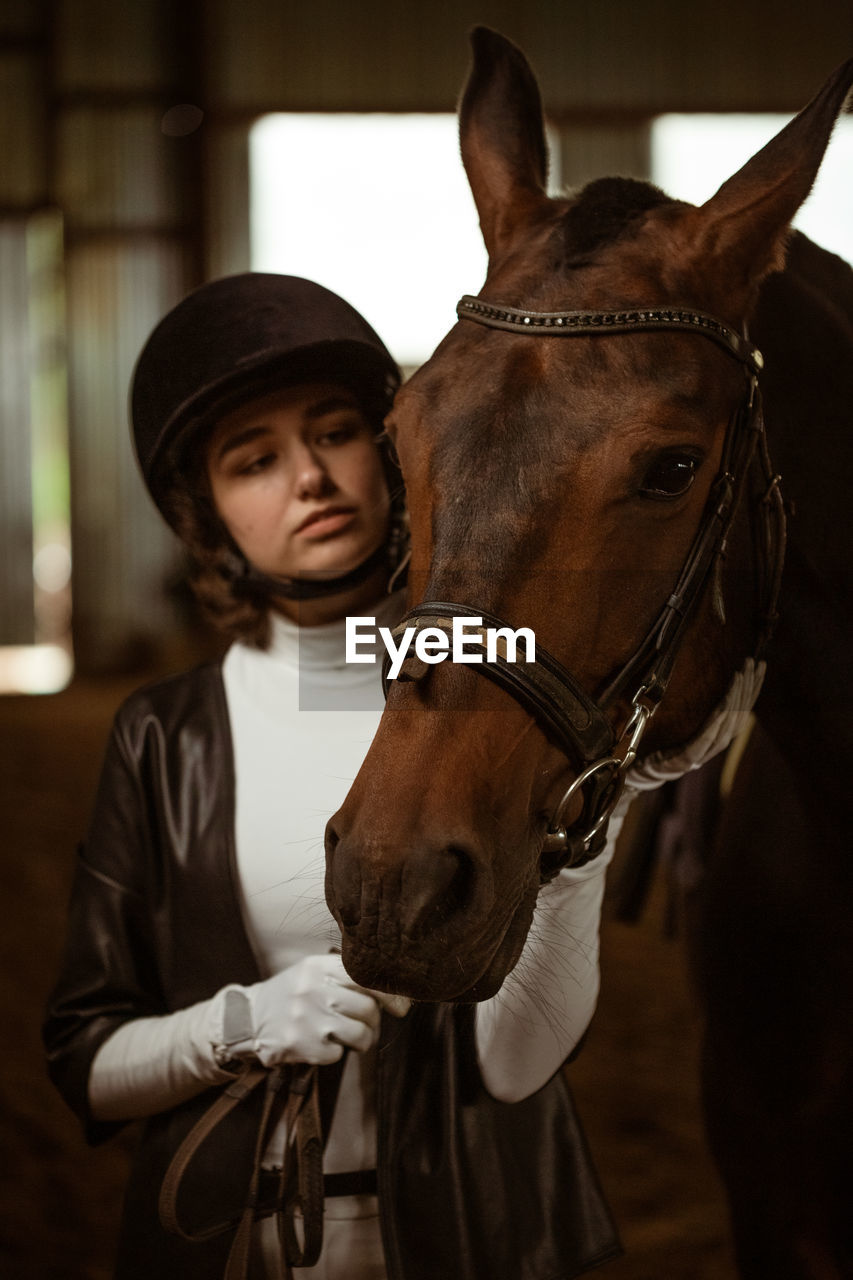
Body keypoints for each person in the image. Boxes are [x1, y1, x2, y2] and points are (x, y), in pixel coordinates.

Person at [43, 273, 621, 1280]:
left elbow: (516, 1066)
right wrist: (240, 1023)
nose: (309, 476)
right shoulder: (161, 735)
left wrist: (575, 855)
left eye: (334, 431)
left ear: (391, 449)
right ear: (208, 516)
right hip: (230, 1246)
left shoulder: (498, 705)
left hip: (461, 1239)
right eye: (253, 460)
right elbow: (87, 1064)